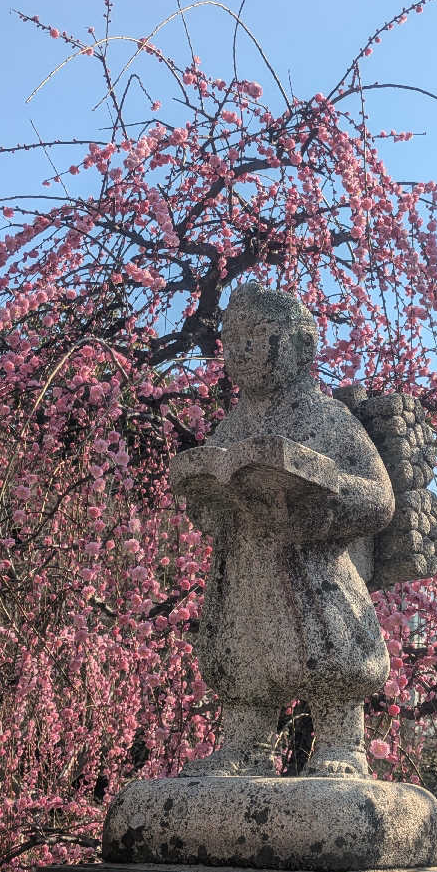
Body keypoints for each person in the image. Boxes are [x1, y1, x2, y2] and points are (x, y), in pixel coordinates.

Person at [170, 282, 394, 777]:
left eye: (259, 335)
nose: (243, 350)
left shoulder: (328, 419)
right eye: (233, 338)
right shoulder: (232, 427)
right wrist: (209, 501)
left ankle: (342, 742)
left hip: (314, 566)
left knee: (328, 650)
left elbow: (379, 498)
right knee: (240, 652)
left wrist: (321, 496)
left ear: (303, 345)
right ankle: (246, 743)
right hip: (244, 563)